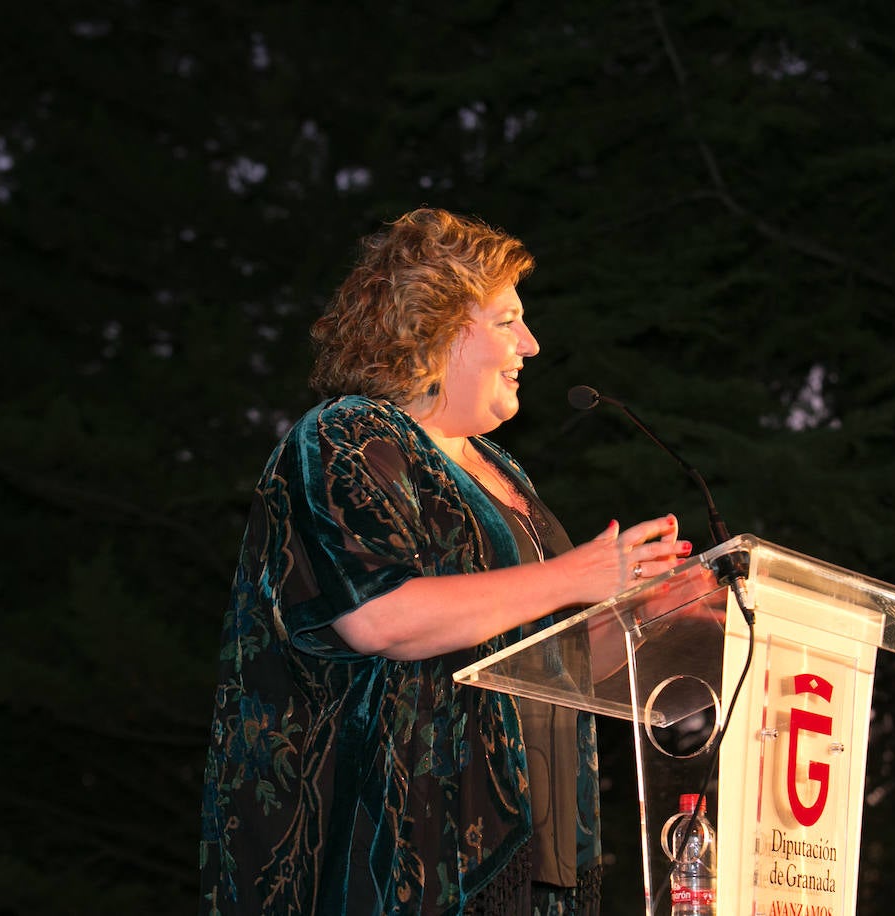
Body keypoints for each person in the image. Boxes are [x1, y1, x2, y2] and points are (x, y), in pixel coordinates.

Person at [199, 208, 690, 915]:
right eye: (507, 320)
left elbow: (552, 658)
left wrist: (662, 615)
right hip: (402, 849)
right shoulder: (349, 437)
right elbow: (379, 617)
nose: (532, 342)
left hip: (528, 851)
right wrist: (575, 576)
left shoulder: (504, 474)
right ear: (436, 325)